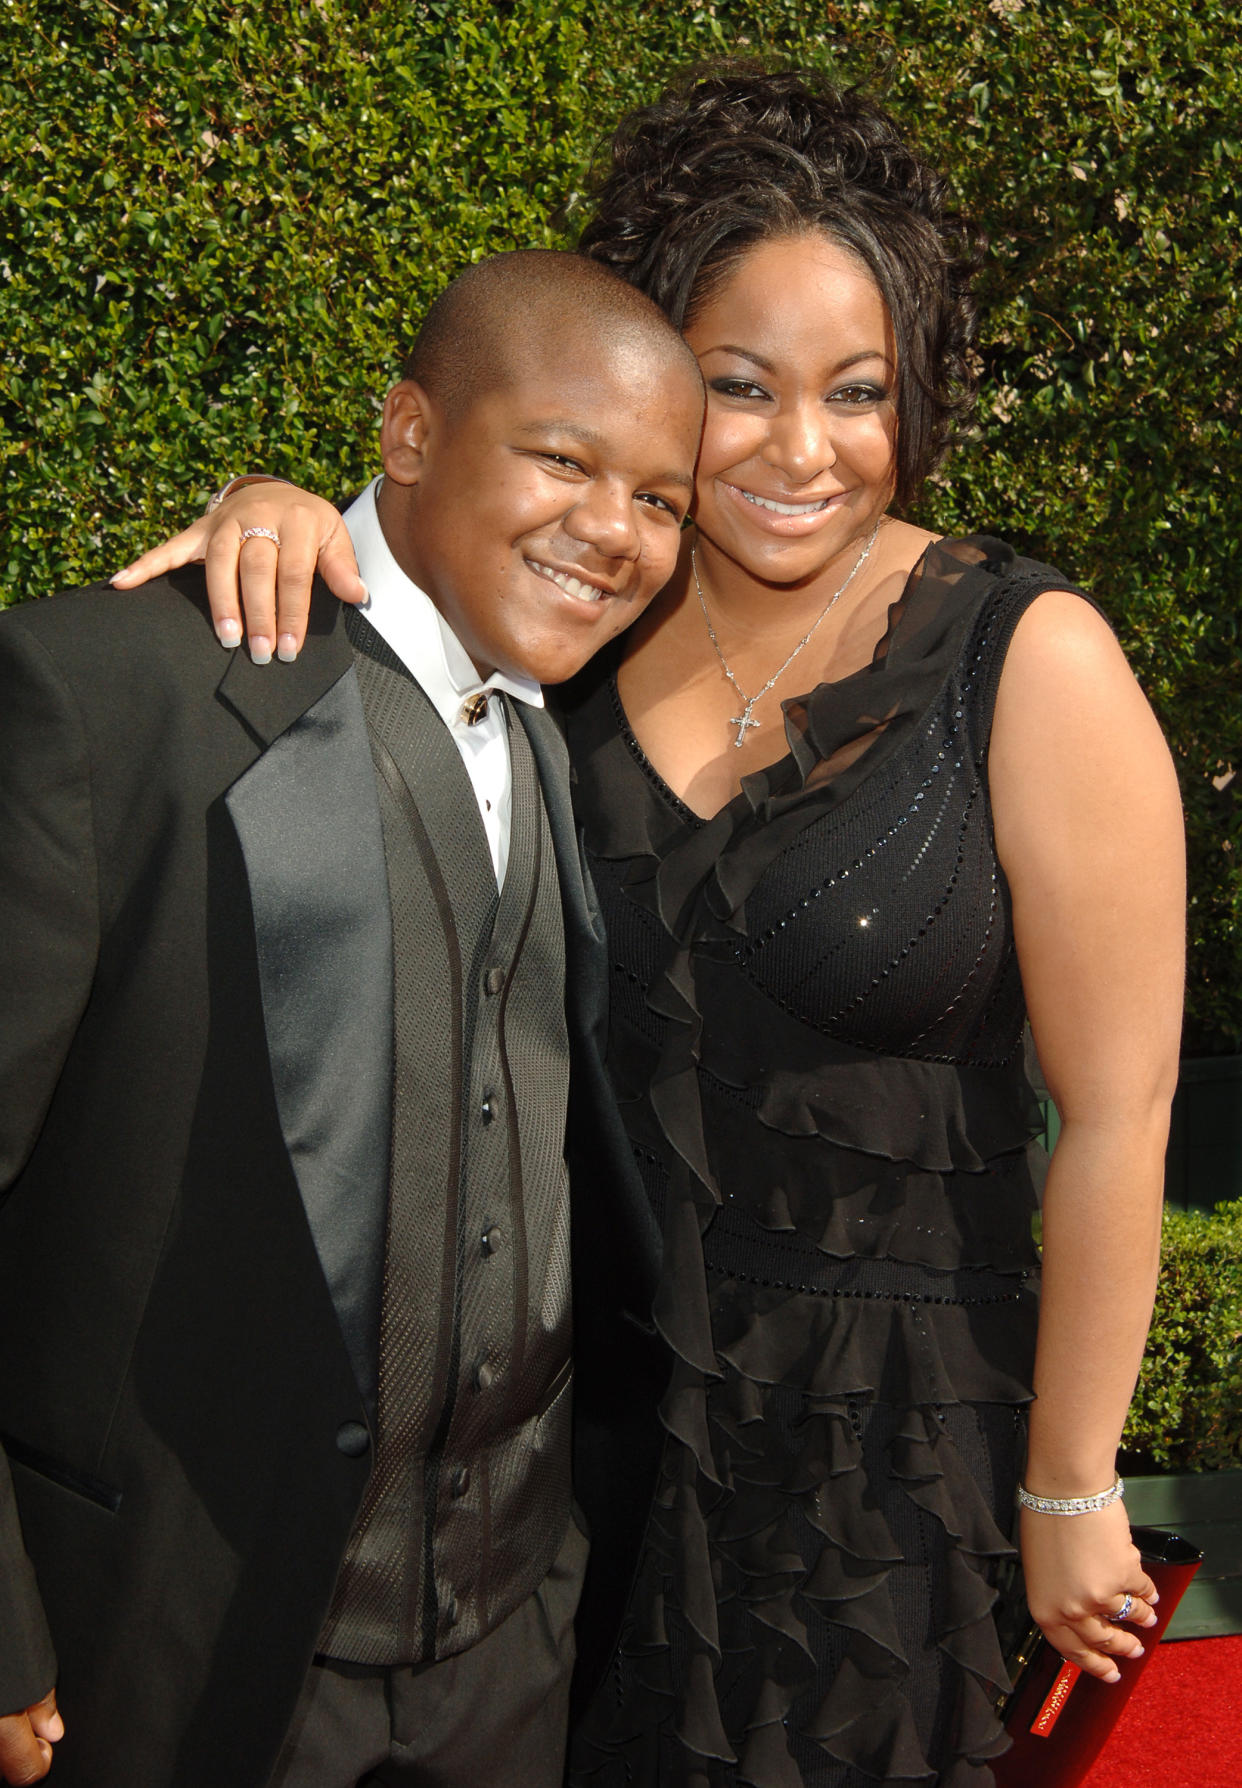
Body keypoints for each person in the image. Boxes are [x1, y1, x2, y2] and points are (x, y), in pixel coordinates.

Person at [111, 70, 1185, 1787]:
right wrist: (279, 513)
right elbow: (401, 591)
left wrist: (1068, 1483)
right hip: (579, 1459)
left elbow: (1120, 1116)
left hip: (888, 1466)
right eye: (739, 391)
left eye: (857, 393)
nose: (798, 449)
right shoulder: (581, 614)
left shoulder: (1026, 657)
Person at [0, 249, 705, 1788]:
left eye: (660, 499)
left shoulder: (577, 737)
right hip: (187, 1648)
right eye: (563, 460)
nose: (614, 530)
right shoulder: (107, 693)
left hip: (513, 1641)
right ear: (405, 434)